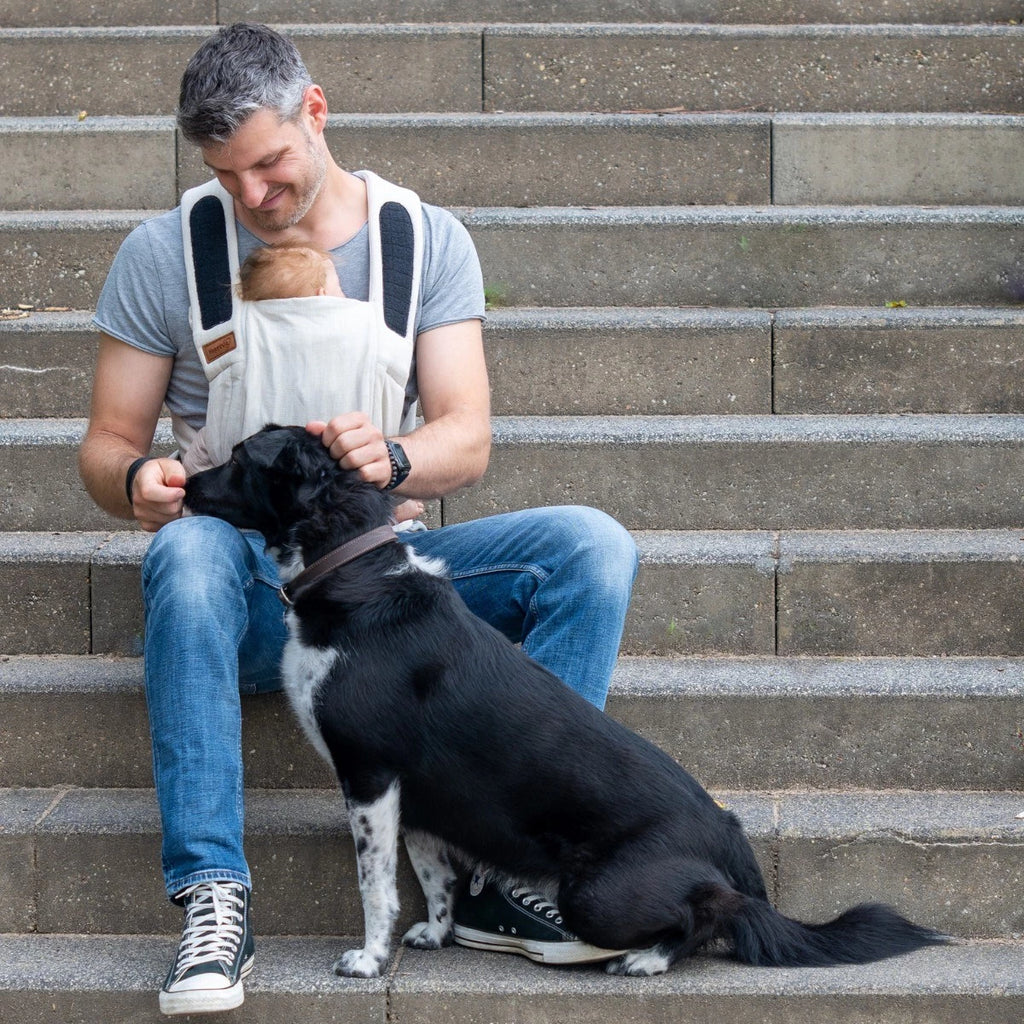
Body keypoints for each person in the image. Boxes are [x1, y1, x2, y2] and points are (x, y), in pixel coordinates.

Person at [78, 22, 639, 1017]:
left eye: (270, 161)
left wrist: (399, 456)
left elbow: (466, 435)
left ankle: (514, 867)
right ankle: (212, 895)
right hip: (250, 594)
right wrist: (141, 480)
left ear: (316, 112)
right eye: (228, 173)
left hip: (388, 584)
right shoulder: (167, 252)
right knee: (192, 552)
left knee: (588, 547)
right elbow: (105, 446)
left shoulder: (421, 240)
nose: (254, 194)